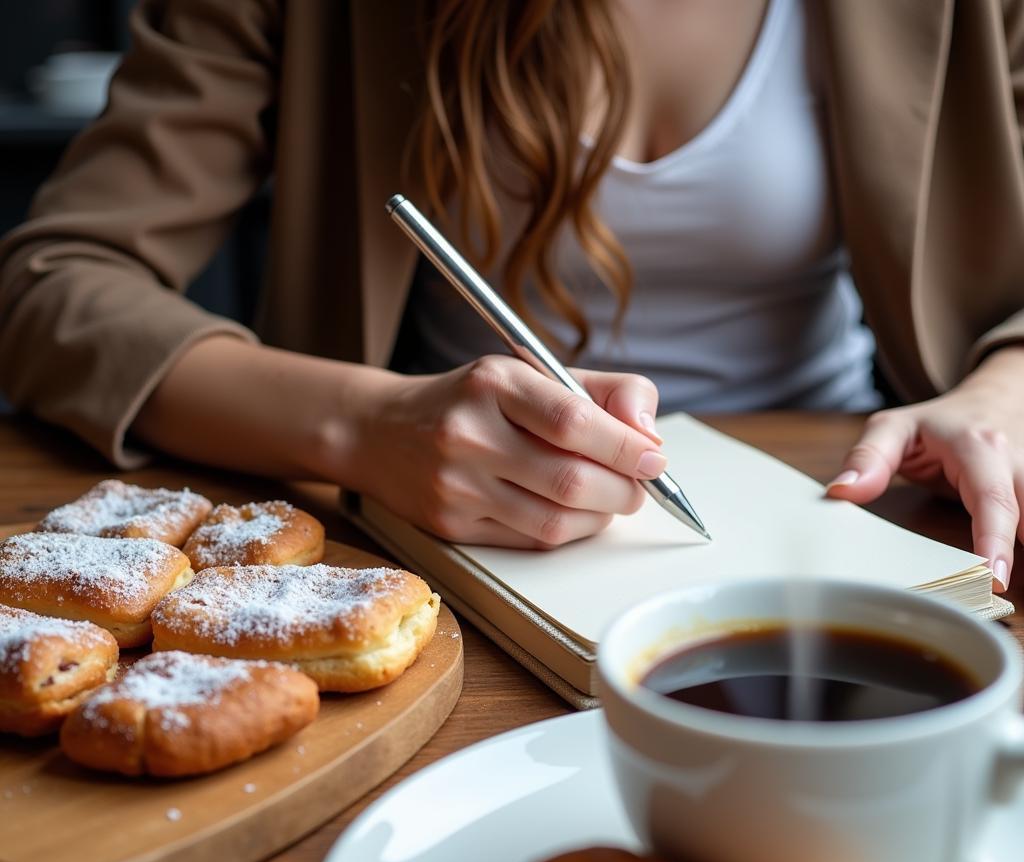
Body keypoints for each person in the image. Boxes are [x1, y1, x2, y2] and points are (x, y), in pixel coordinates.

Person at [1, 0, 1023, 592]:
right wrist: (362, 424)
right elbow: (54, 286)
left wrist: (1003, 384)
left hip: (853, 492)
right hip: (450, 526)